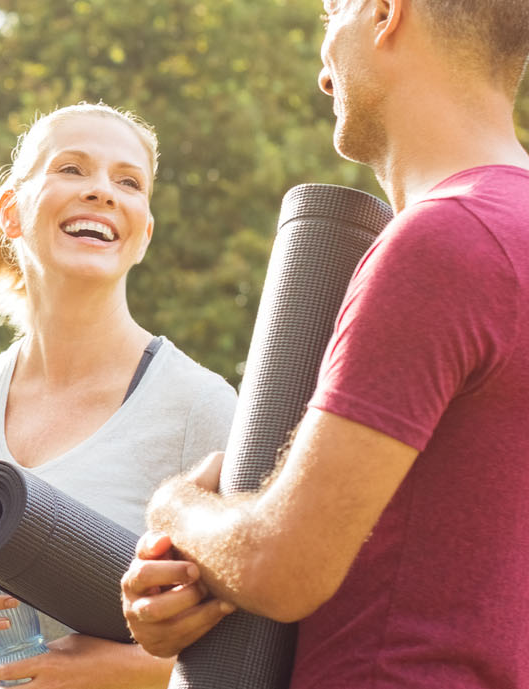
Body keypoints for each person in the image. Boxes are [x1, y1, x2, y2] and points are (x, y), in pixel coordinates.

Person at [120, 0, 529, 686]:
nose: (322, 73)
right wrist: (200, 575)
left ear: (383, 13)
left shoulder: (443, 242)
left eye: (329, 13)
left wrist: (174, 508)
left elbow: (283, 567)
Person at [0, 104, 236, 689]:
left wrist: (109, 671)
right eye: (72, 169)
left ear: (143, 234)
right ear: (12, 212)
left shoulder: (200, 409)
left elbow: (246, 655)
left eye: (128, 182)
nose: (103, 193)